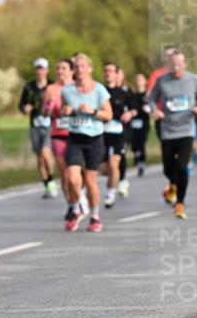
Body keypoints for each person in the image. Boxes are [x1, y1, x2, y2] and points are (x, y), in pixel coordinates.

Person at [147, 49, 197, 219]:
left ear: (185, 64)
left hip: (186, 129)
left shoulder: (193, 79)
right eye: (172, 64)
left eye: (179, 64)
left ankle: (180, 203)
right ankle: (173, 184)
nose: (176, 67)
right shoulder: (161, 81)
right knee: (167, 168)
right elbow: (151, 100)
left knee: (182, 167)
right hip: (167, 129)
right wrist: (155, 111)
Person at [61, 53, 112, 232]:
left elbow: (109, 115)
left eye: (82, 66)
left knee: (90, 180)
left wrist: (92, 111)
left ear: (89, 68)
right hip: (75, 138)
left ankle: (95, 216)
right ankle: (76, 208)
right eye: (76, 67)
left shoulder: (99, 90)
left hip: (94, 140)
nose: (79, 70)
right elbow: (60, 111)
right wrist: (64, 111)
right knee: (72, 177)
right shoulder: (67, 90)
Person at [43, 59, 78, 218]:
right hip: (58, 133)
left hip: (77, 133)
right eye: (58, 68)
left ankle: (79, 199)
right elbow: (44, 113)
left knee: (76, 173)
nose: (60, 71)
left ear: (72, 71)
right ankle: (71, 205)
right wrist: (48, 107)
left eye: (64, 68)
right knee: (65, 174)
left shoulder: (78, 87)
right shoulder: (51, 89)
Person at [19, 57, 57, 198]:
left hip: (50, 125)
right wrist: (25, 109)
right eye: (37, 68)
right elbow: (21, 106)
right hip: (35, 125)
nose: (40, 71)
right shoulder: (29, 88)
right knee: (40, 158)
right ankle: (46, 184)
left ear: (47, 70)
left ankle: (52, 180)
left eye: (42, 68)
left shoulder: (53, 85)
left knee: (46, 153)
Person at [102, 62, 135, 208]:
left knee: (113, 163)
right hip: (101, 132)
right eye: (106, 71)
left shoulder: (124, 92)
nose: (108, 73)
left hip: (118, 132)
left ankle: (110, 193)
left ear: (117, 74)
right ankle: (115, 183)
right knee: (103, 169)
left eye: (111, 71)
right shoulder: (99, 91)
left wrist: (130, 113)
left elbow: (135, 108)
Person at [128, 72, 151, 177]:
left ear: (145, 81)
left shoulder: (148, 95)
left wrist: (148, 108)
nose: (139, 82)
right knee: (134, 144)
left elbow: (152, 107)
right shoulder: (132, 95)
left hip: (144, 122)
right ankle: (136, 154)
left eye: (141, 79)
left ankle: (141, 163)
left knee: (141, 143)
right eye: (137, 79)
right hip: (134, 122)